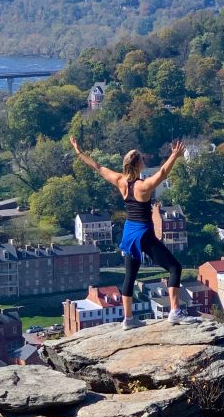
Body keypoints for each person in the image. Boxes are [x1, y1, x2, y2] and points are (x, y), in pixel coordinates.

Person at [69, 136, 195, 329]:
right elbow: (162, 173)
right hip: (144, 232)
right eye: (142, 160)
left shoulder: (120, 181)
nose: (145, 162)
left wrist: (79, 152)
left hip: (128, 232)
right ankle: (175, 312)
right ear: (138, 164)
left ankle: (128, 319)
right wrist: (174, 156)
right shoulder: (142, 186)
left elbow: (98, 167)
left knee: (130, 275)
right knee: (174, 268)